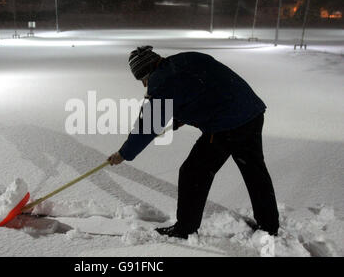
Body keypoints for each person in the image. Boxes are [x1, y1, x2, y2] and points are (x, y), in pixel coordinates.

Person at [108, 46, 279, 239]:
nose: (144, 84)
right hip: (252, 112)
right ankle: (269, 225)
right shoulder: (185, 59)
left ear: (146, 72)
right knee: (254, 170)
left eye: (142, 80)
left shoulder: (162, 82)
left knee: (193, 172)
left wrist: (124, 153)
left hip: (227, 124)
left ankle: (185, 229)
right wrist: (181, 117)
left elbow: (147, 126)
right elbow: (203, 87)